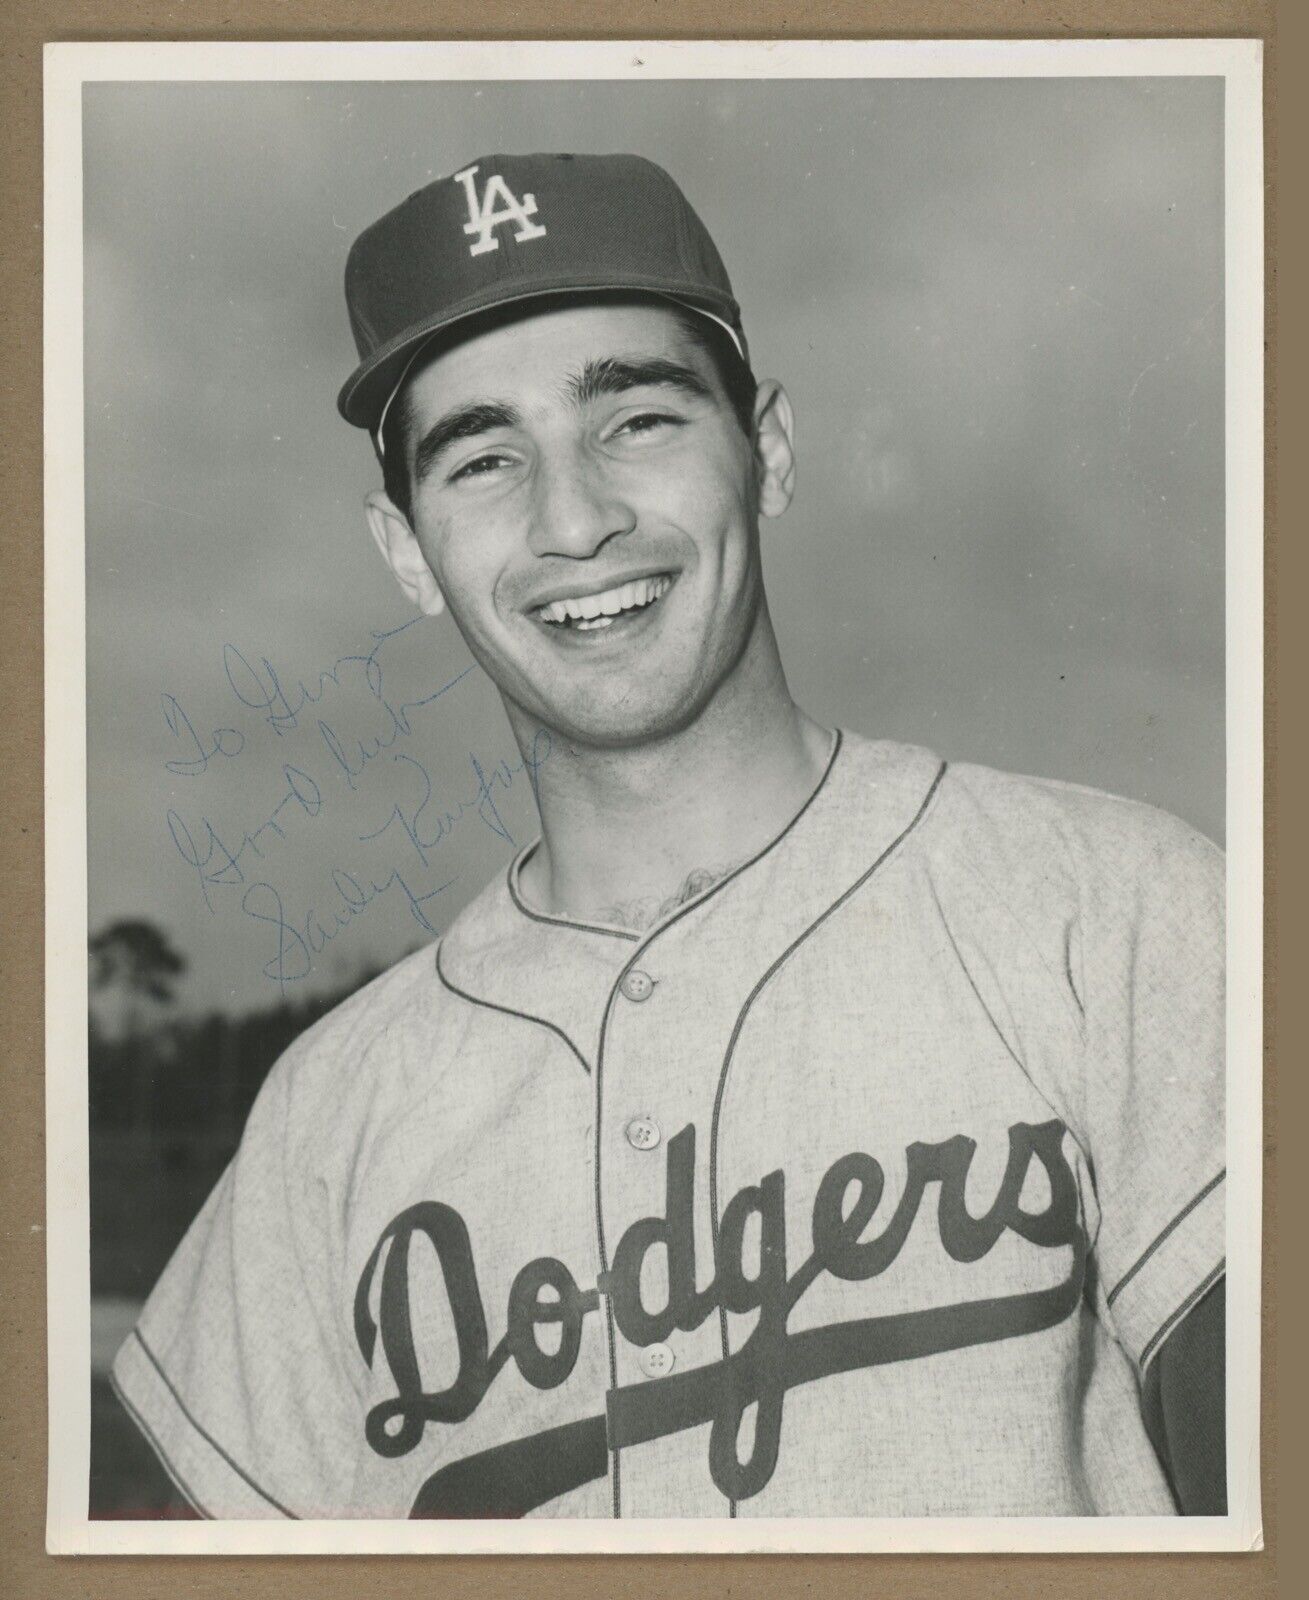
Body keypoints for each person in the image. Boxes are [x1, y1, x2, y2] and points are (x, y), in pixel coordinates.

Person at [111, 152, 1226, 1521]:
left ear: (767, 449)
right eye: (480, 458)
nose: (573, 519)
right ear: (405, 550)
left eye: (635, 419)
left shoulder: (1114, 917)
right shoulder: (328, 1122)